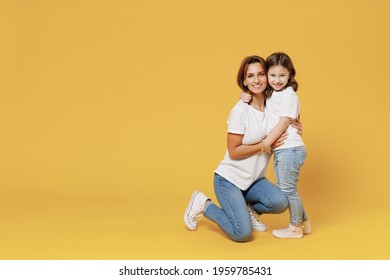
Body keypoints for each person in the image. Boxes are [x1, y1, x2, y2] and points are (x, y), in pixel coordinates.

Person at [184, 55, 302, 242]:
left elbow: (287, 120)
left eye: (261, 74)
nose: (256, 80)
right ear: (244, 81)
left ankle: (247, 209)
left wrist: (296, 127)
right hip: (229, 180)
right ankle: (204, 204)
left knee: (281, 202)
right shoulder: (240, 110)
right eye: (250, 76)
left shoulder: (273, 104)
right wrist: (264, 145)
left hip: (253, 181)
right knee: (243, 234)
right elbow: (233, 151)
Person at [241, 52, 311, 239]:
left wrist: (266, 143)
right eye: (272, 75)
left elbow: (283, 123)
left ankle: (296, 228)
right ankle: (304, 221)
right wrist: (244, 94)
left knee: (288, 190)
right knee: (289, 188)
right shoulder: (272, 94)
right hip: (285, 149)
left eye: (282, 75)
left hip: (290, 149)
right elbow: (255, 94)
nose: (277, 80)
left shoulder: (288, 94)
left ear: (290, 75)